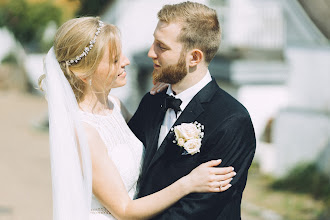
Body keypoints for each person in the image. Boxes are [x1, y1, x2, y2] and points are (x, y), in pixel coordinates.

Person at [39, 17, 236, 220]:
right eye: (115, 60)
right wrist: (189, 183)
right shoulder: (84, 132)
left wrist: (169, 91)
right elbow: (124, 210)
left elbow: (154, 138)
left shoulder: (115, 105)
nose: (126, 62)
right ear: (84, 73)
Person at [128, 2, 256, 219]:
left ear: (194, 57)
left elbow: (197, 211)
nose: (151, 52)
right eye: (154, 41)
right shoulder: (152, 101)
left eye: (162, 46)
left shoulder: (232, 120)